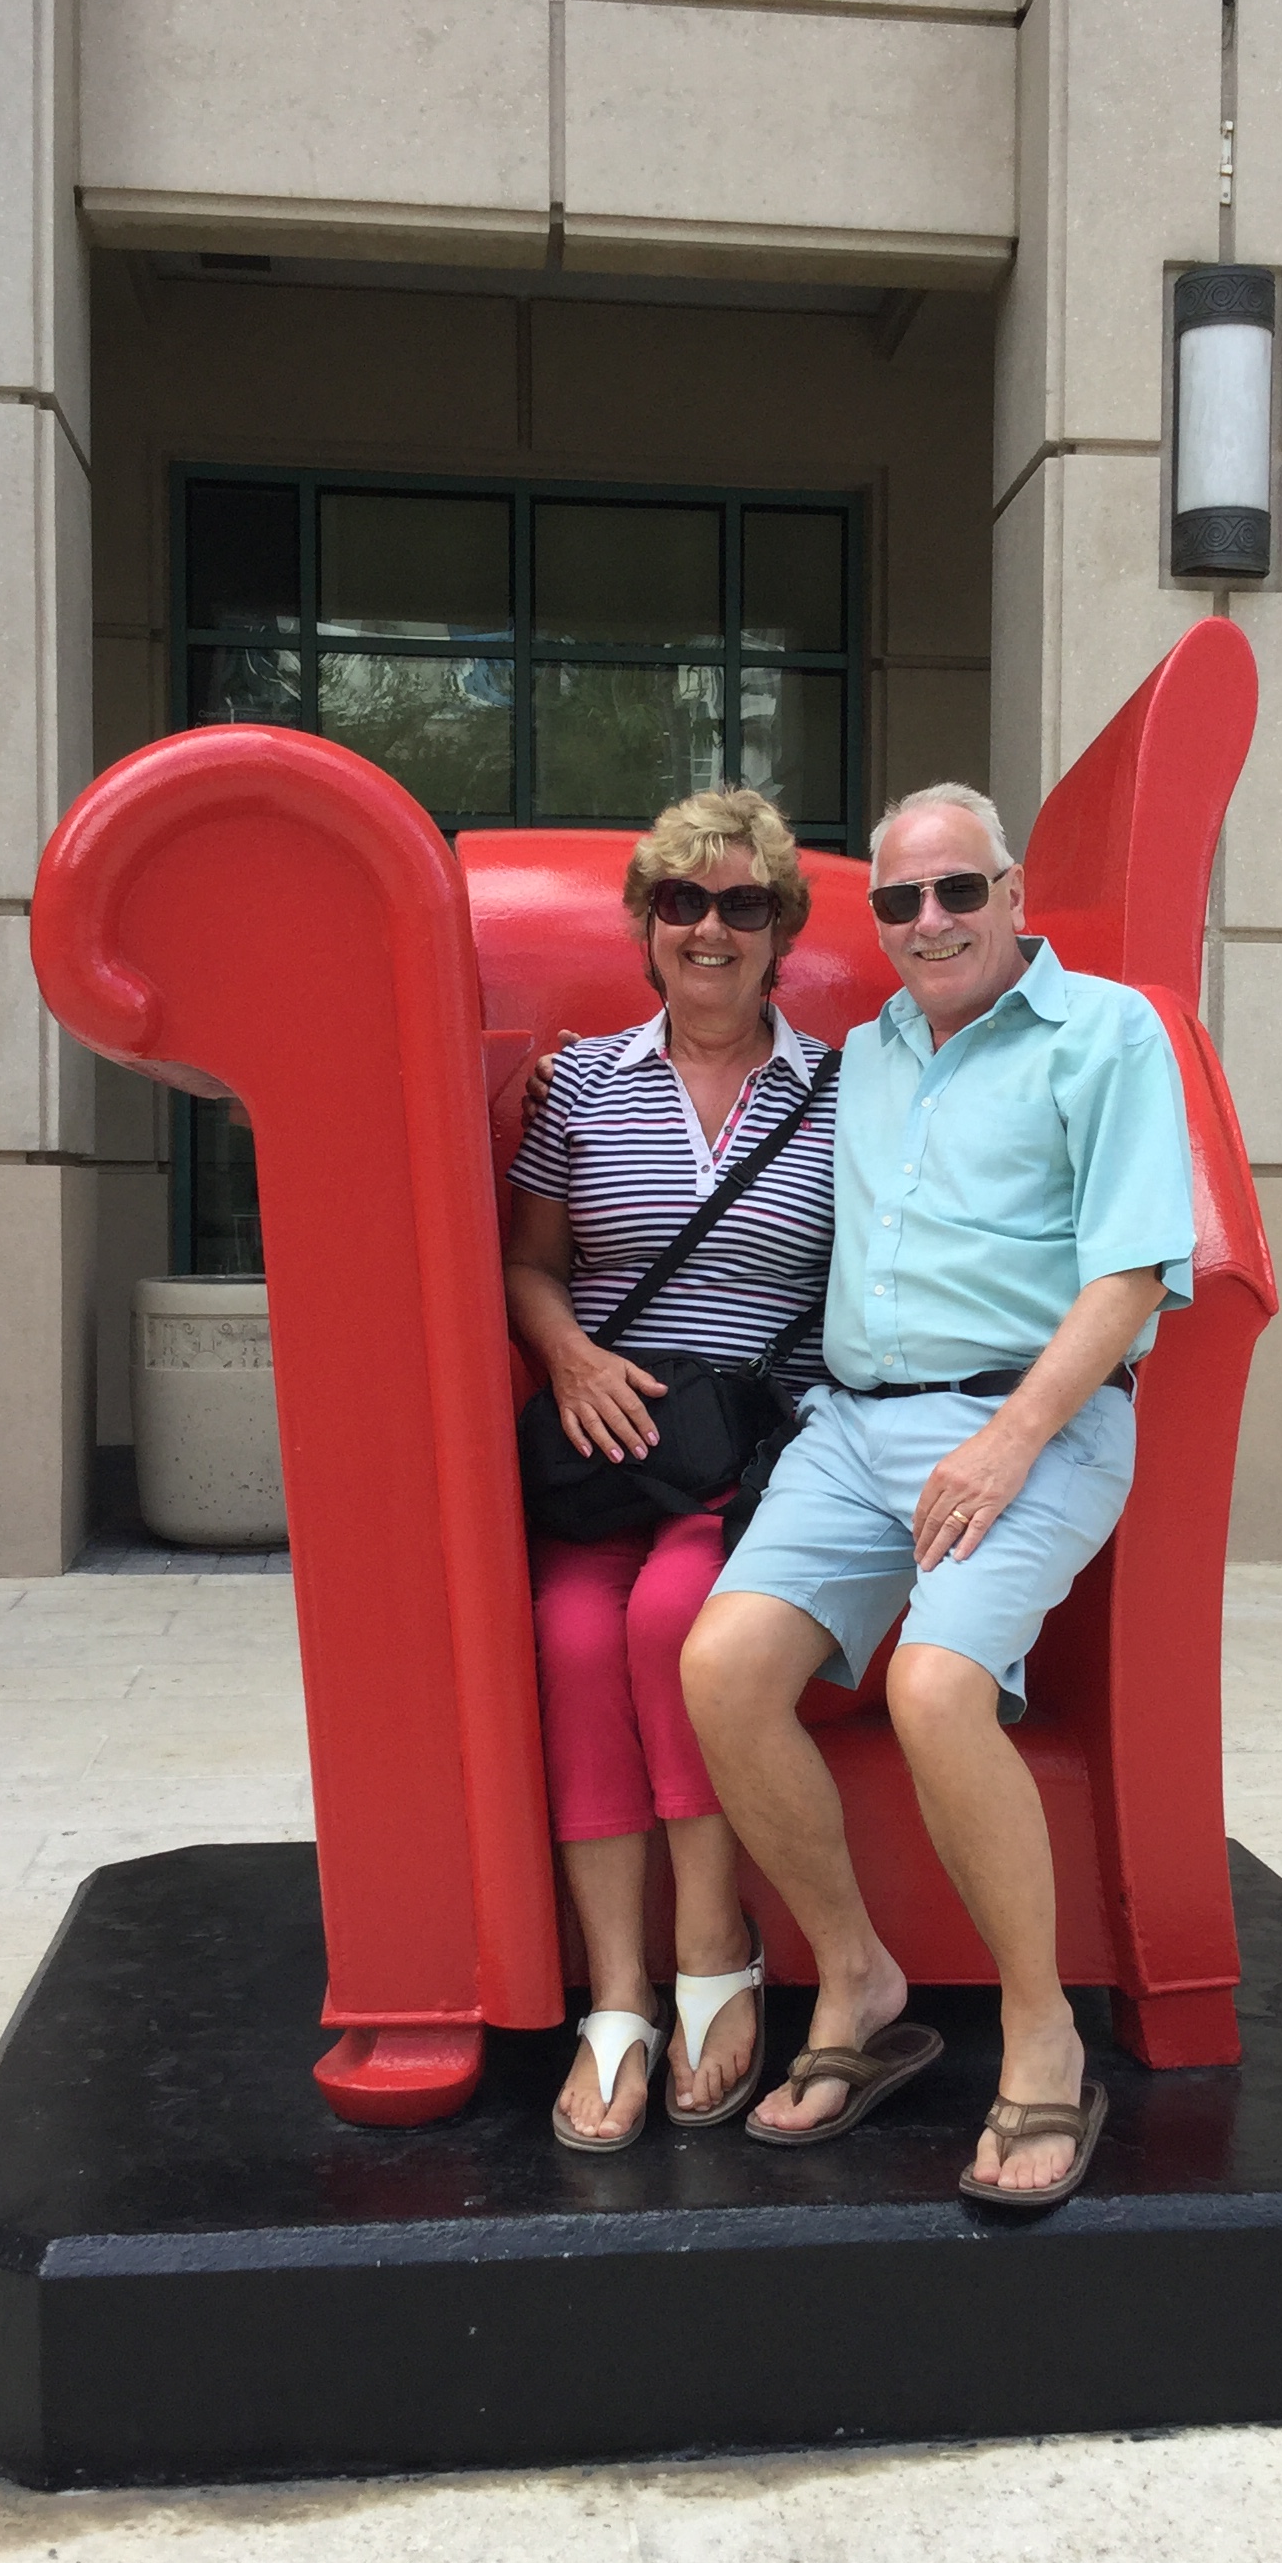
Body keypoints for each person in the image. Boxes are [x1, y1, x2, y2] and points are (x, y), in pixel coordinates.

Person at [681, 780, 1197, 2210]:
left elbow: (1135, 1274)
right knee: (722, 1669)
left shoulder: (1109, 1034)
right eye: (899, 900)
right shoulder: (866, 1054)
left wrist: (1010, 1439)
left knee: (935, 1687)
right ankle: (858, 1974)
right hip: (853, 1432)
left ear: (1012, 894)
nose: (930, 921)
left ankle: (1042, 2034)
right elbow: (712, 1066)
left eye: (958, 890)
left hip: (1038, 1422)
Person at [504, 787, 837, 2152]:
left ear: (780, 931)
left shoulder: (843, 1092)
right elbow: (529, 1263)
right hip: (604, 1442)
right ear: (647, 925)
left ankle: (712, 1951)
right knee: (573, 1633)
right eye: (683, 902)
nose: (711, 928)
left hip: (747, 1455)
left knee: (668, 1622)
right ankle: (618, 1995)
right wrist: (570, 1357)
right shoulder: (582, 1085)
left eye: (741, 904)